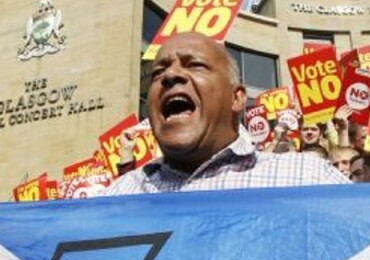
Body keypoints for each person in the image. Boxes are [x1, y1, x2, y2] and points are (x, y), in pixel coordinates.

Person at [105, 33, 348, 195]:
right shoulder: (119, 196)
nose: (170, 76)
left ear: (237, 98)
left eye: (194, 65)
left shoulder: (307, 180)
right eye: (158, 72)